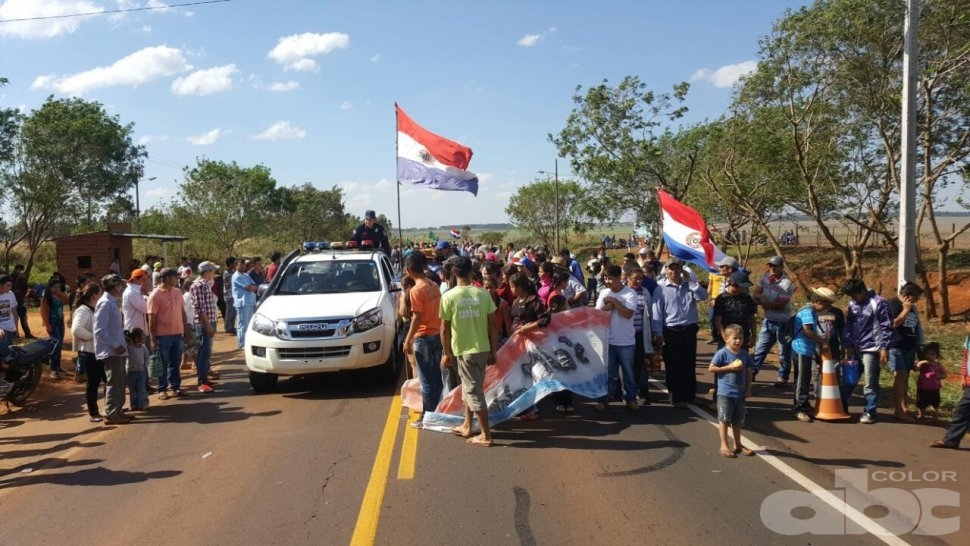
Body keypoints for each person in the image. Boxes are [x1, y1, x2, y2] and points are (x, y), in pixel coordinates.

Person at [439, 256, 498, 447]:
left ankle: (485, 435)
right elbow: (493, 324)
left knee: (473, 391)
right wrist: (493, 349)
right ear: (472, 272)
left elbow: (444, 329)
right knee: (470, 387)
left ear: (454, 273)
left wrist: (446, 352)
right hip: (482, 348)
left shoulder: (448, 296)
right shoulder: (483, 294)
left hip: (464, 351)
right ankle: (467, 424)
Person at [652, 258, 708, 408]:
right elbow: (657, 313)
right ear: (666, 270)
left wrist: (691, 283)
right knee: (673, 365)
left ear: (682, 270)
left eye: (677, 269)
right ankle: (676, 397)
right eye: (671, 269)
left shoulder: (689, 286)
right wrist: (657, 333)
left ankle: (690, 395)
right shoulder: (660, 288)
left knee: (689, 364)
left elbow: (703, 296)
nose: (674, 272)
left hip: (689, 329)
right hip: (671, 331)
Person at [402, 251, 443, 429]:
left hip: (424, 338)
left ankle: (428, 415)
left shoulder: (415, 291)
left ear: (410, 270)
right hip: (437, 335)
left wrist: (408, 339)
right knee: (436, 377)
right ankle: (437, 410)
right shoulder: (433, 284)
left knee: (426, 380)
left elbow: (416, 318)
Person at [842, 278, 892, 424]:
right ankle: (842, 405)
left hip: (872, 348)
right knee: (849, 379)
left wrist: (884, 347)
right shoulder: (852, 303)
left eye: (854, 295)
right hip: (855, 348)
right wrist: (848, 344)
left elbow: (886, 326)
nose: (852, 298)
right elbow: (849, 324)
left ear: (863, 291)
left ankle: (870, 411)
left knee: (870, 381)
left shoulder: (879, 302)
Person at [708, 324, 756, 458]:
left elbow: (748, 371)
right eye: (735, 338)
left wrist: (748, 388)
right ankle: (724, 444)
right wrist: (728, 368)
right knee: (724, 419)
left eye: (740, 338)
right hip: (725, 393)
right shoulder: (722, 353)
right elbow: (711, 368)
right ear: (726, 339)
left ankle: (738, 444)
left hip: (739, 393)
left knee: (737, 420)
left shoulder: (744, 354)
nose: (738, 341)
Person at [751, 256, 795, 387]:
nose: (772, 268)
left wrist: (765, 302)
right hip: (769, 320)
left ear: (781, 267)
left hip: (783, 322)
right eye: (770, 266)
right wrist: (763, 300)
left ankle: (782, 377)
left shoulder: (786, 283)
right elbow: (756, 295)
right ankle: (752, 371)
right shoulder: (765, 278)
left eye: (775, 266)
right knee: (760, 349)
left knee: (783, 352)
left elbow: (781, 305)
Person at [885, 282, 925, 422]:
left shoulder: (912, 308)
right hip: (896, 346)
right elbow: (893, 324)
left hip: (909, 347)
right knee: (900, 375)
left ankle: (903, 407)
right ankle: (899, 410)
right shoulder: (892, 304)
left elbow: (915, 328)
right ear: (906, 296)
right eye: (915, 298)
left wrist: (919, 347)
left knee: (905, 377)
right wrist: (906, 310)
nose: (916, 301)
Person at [94, 274, 129, 425]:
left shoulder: (112, 302)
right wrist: (115, 345)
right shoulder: (105, 303)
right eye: (120, 285)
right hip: (112, 351)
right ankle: (111, 412)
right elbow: (99, 330)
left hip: (119, 348)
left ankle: (118, 410)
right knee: (114, 382)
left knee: (120, 381)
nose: (122, 287)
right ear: (114, 286)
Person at [930, 315, 970, 449]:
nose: (968, 327)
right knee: (962, 410)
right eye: (967, 324)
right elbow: (966, 359)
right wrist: (963, 376)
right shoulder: (968, 339)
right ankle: (951, 440)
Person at [790, 290, 830, 423]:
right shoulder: (807, 311)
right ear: (818, 302)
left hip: (806, 349)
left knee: (805, 379)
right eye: (826, 304)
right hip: (801, 348)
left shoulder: (812, 311)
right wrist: (821, 340)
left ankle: (804, 404)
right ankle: (798, 408)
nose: (827, 307)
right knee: (801, 380)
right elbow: (807, 330)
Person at [148, 268, 187, 399]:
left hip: (177, 334)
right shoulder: (155, 295)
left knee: (175, 362)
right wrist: (153, 338)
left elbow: (182, 312)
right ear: (167, 278)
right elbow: (151, 318)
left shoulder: (177, 292)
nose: (178, 279)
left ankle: (175, 387)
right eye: (175, 277)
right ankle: (162, 389)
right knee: (163, 364)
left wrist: (186, 330)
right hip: (162, 335)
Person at [72, 282, 103, 422]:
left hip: (98, 351)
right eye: (100, 293)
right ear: (95, 294)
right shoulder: (83, 310)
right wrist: (93, 336)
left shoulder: (94, 308)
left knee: (107, 379)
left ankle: (110, 407)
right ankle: (93, 413)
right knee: (93, 383)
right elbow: (76, 329)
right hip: (89, 352)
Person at [190, 261, 220, 393]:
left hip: (209, 321)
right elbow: (200, 308)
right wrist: (208, 325)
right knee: (203, 352)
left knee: (206, 352)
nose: (214, 274)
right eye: (212, 271)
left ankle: (204, 377)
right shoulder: (198, 285)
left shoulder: (205, 285)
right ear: (207, 272)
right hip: (204, 323)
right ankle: (202, 381)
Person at [40, 276, 69, 379]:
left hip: (60, 323)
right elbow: (43, 312)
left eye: (59, 287)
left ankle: (58, 367)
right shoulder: (47, 297)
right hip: (53, 324)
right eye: (55, 287)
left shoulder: (59, 296)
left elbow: (67, 300)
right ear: (50, 287)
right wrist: (47, 325)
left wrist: (60, 292)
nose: (57, 289)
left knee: (59, 345)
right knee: (55, 346)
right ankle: (53, 369)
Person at [915, 342, 945, 422]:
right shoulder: (923, 364)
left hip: (934, 387)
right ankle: (921, 415)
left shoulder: (938, 365)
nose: (929, 356)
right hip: (923, 386)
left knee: (935, 403)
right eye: (927, 354)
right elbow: (916, 369)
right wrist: (920, 363)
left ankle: (935, 417)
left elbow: (944, 374)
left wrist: (939, 377)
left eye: (932, 354)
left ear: (936, 356)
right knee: (921, 402)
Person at [233, 259, 258, 349]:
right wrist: (252, 287)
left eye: (244, 265)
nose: (243, 267)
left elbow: (255, 286)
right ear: (236, 266)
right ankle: (242, 344)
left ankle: (246, 342)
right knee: (243, 324)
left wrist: (253, 287)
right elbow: (249, 288)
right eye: (241, 265)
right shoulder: (237, 276)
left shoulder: (246, 275)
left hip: (250, 302)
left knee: (249, 324)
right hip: (243, 303)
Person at [126, 328, 150, 411]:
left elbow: (146, 357)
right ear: (136, 338)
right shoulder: (129, 347)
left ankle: (144, 403)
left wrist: (145, 366)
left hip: (141, 371)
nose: (144, 338)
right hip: (131, 372)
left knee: (142, 388)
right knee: (132, 390)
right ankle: (134, 404)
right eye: (142, 337)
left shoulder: (143, 347)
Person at [11, 265, 33, 339]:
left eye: (21, 270)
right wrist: (16, 291)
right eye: (20, 270)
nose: (21, 271)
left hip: (20, 302)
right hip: (12, 303)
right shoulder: (10, 278)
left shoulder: (22, 278)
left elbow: (25, 288)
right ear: (16, 269)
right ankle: (14, 335)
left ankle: (27, 333)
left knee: (23, 318)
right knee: (13, 319)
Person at [223, 257, 237, 334]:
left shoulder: (232, 272)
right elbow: (229, 285)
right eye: (234, 263)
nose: (235, 264)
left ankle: (231, 326)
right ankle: (228, 328)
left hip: (233, 295)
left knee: (233, 312)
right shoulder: (226, 273)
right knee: (229, 312)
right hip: (229, 295)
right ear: (230, 264)